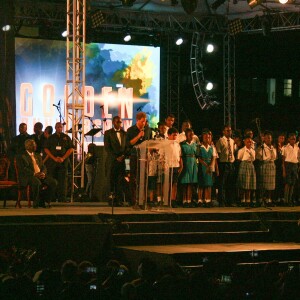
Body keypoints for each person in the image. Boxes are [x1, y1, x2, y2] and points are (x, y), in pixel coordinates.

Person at [17, 139, 57, 208]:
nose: (36, 146)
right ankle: (36, 203)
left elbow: (43, 166)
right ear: (28, 146)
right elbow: (23, 169)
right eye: (33, 145)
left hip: (40, 174)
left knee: (53, 182)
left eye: (35, 144)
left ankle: (44, 200)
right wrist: (34, 174)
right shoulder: (21, 156)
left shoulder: (37, 155)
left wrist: (43, 173)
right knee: (37, 182)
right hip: (28, 176)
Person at [126, 112, 152, 208]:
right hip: (133, 156)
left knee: (143, 178)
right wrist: (138, 136)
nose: (144, 124)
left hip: (144, 157)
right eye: (142, 122)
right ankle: (133, 200)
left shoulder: (148, 130)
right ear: (137, 120)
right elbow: (128, 144)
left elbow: (149, 142)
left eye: (145, 121)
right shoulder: (130, 130)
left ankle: (143, 199)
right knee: (133, 178)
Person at [44, 122, 73, 202]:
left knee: (63, 180)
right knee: (52, 179)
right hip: (53, 162)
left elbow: (71, 149)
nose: (59, 128)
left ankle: (62, 198)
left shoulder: (66, 137)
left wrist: (63, 158)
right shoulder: (51, 137)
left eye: (61, 127)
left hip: (63, 161)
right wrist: (54, 158)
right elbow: (46, 149)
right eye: (58, 127)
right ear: (55, 128)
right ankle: (52, 197)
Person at [104, 116, 127, 206]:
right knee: (111, 180)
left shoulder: (124, 133)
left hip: (122, 160)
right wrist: (116, 157)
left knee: (120, 181)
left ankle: (119, 200)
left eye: (121, 122)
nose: (119, 124)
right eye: (118, 122)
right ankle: (112, 200)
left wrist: (123, 156)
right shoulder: (108, 133)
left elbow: (126, 146)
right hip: (112, 160)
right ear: (113, 122)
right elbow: (107, 148)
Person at [216, 125, 236, 207]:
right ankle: (222, 201)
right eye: (227, 130)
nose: (229, 132)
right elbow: (218, 153)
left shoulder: (231, 140)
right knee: (222, 183)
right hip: (223, 163)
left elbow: (232, 151)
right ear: (223, 131)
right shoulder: (220, 140)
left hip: (230, 163)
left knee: (230, 183)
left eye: (230, 130)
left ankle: (230, 201)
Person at [256, 131, 277, 206]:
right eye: (267, 138)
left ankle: (269, 200)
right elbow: (258, 157)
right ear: (264, 139)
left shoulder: (273, 148)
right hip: (265, 165)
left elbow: (275, 157)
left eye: (270, 138)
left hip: (272, 166)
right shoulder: (261, 147)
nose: (269, 139)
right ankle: (262, 199)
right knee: (263, 184)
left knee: (271, 185)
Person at [197, 129, 216, 207]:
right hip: (202, 166)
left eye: (208, 137)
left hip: (209, 166)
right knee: (201, 183)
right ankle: (200, 200)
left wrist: (211, 165)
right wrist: (206, 165)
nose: (207, 139)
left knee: (209, 184)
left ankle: (207, 200)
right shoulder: (199, 147)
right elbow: (199, 158)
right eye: (205, 137)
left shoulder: (212, 147)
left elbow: (213, 157)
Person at [180, 128, 198, 208]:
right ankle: (184, 201)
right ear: (186, 135)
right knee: (185, 183)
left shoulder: (195, 144)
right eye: (190, 134)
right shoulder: (182, 144)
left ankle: (189, 200)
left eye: (192, 134)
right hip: (186, 162)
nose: (191, 136)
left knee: (191, 183)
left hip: (193, 163)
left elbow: (197, 154)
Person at [237, 136, 256, 207]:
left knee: (249, 184)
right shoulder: (241, 150)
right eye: (248, 142)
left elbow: (253, 159)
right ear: (244, 142)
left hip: (250, 165)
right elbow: (239, 159)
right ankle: (242, 199)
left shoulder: (253, 151)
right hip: (244, 165)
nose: (249, 143)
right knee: (243, 184)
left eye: (250, 142)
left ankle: (248, 200)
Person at [166, 127, 183, 208]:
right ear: (168, 135)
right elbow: (161, 156)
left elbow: (179, 156)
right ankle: (167, 200)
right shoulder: (165, 144)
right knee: (168, 184)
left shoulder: (177, 145)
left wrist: (181, 165)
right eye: (173, 135)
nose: (175, 137)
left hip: (176, 166)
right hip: (168, 166)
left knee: (175, 184)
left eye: (176, 135)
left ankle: (173, 200)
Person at [282, 133, 300, 206]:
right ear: (288, 139)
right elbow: (283, 160)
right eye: (292, 138)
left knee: (293, 183)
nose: (293, 140)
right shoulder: (285, 147)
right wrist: (284, 169)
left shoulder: (297, 147)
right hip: (288, 165)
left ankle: (290, 200)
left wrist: (298, 166)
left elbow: (298, 157)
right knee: (287, 183)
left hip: (295, 165)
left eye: (294, 139)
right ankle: (285, 200)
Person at [274, 133, 285, 205]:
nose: (282, 139)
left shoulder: (284, 147)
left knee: (281, 182)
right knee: (277, 182)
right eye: (280, 138)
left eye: (283, 138)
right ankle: (276, 198)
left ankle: (281, 197)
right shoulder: (275, 146)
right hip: (276, 165)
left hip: (282, 166)